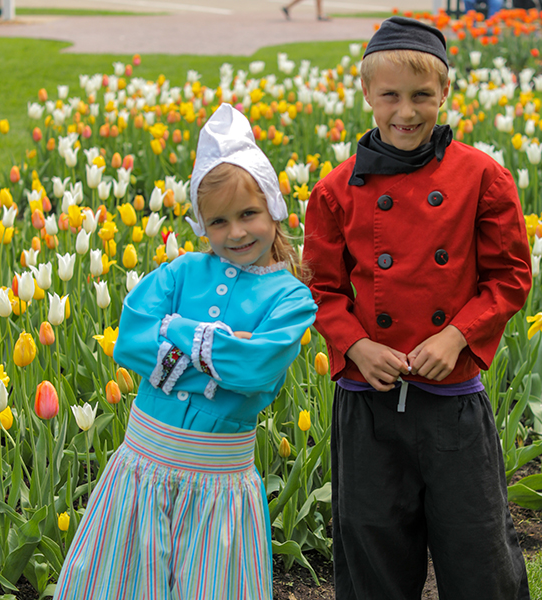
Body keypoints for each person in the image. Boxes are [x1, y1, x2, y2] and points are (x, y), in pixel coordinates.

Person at [304, 16, 532, 600]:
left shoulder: (482, 177)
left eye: (421, 96)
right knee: (372, 545)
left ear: (445, 95)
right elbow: (321, 291)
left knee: (477, 546)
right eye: (391, 96)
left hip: (452, 397)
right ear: (366, 97)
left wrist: (456, 336)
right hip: (368, 403)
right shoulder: (334, 191)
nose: (406, 112)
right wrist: (356, 345)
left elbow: (509, 278)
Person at [54, 103, 317, 600]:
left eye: (248, 214)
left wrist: (175, 330)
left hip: (218, 479)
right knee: (125, 583)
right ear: (201, 224)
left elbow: (256, 369)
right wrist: (220, 356)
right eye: (218, 222)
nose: (235, 233)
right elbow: (131, 341)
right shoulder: (179, 273)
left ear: (275, 209)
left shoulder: (291, 299)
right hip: (141, 468)